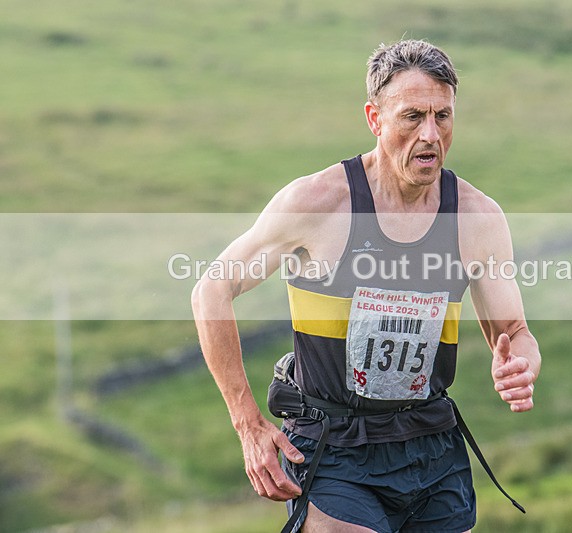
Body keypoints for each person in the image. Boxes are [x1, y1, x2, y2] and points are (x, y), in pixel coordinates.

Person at [192, 39, 541, 533]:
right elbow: (210, 290)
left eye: (443, 117)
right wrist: (248, 424)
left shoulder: (477, 218)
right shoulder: (318, 203)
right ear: (375, 118)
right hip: (336, 446)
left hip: (431, 447)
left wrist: (521, 365)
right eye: (412, 116)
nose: (430, 134)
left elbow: (515, 330)